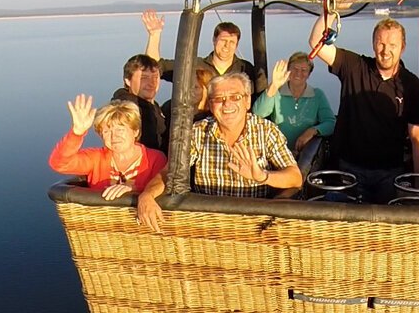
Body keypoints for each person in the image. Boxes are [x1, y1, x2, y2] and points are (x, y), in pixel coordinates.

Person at [136, 74, 301, 232]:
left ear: (247, 101)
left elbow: (295, 177)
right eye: (219, 99)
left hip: (254, 225)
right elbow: (169, 172)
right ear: (210, 104)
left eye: (235, 97)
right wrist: (147, 196)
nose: (227, 104)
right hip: (209, 224)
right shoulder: (198, 132)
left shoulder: (266, 131)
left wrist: (263, 176)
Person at [308, 12, 419, 204]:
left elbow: (418, 138)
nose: (385, 51)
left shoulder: (412, 85)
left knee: (385, 229)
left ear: (403, 47)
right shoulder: (354, 66)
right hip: (350, 169)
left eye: (392, 45)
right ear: (373, 44)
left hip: (390, 173)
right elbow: (316, 42)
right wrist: (332, 10)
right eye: (381, 44)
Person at [48, 96, 167, 200]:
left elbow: (163, 187)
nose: (114, 136)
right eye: (106, 131)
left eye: (120, 129)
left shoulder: (155, 159)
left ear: (135, 131)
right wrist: (77, 133)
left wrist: (132, 188)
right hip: (101, 224)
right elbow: (59, 163)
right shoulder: (95, 158)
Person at [141, 10, 267, 94]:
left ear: (237, 45)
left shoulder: (246, 69)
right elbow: (155, 67)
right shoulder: (192, 65)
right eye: (223, 40)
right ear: (214, 40)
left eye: (232, 42)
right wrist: (154, 35)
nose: (226, 46)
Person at [252, 52, 336, 179]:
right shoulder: (277, 91)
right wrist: (274, 85)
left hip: (305, 156)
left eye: (304, 70)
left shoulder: (317, 95)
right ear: (288, 71)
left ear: (309, 74)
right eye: (295, 69)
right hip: (277, 155)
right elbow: (257, 114)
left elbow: (330, 122)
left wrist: (312, 131)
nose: (299, 73)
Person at [111, 54, 167, 152]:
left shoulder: (151, 106)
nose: (152, 83)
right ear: (128, 81)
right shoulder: (128, 110)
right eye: (144, 78)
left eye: (155, 77)